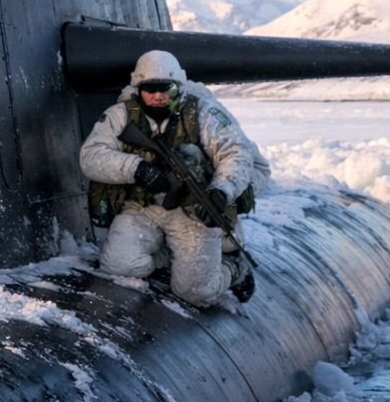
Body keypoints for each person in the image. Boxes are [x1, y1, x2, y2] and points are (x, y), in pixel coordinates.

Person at [79, 49, 260, 308]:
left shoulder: (202, 114)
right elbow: (91, 156)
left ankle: (233, 268)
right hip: (143, 208)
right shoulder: (121, 116)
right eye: (150, 89)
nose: (158, 96)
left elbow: (236, 153)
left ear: (178, 87)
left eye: (166, 88)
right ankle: (173, 256)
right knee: (119, 267)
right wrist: (137, 168)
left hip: (191, 211)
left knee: (196, 293)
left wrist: (222, 190)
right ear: (138, 88)